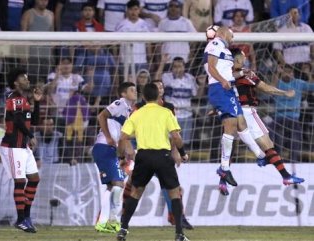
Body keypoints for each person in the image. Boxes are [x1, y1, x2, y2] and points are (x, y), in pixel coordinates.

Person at [217, 48, 305, 195]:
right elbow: (265, 88)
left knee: (230, 149)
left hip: (230, 113)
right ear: (237, 60)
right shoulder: (245, 73)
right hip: (247, 112)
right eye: (243, 57)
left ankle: (222, 182)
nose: (245, 59)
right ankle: (285, 176)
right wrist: (285, 92)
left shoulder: (222, 75)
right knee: (268, 145)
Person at [116, 83, 190, 241]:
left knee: (135, 193)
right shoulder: (166, 112)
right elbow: (176, 136)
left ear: (143, 97)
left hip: (143, 157)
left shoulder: (136, 113)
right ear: (158, 96)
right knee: (174, 194)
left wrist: (121, 156)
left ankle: (123, 229)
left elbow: (123, 137)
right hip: (163, 156)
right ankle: (179, 234)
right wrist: (182, 153)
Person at [204, 26, 267, 188]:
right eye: (232, 36)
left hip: (227, 89)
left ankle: (260, 155)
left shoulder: (224, 49)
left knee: (241, 124)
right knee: (230, 126)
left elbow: (227, 73)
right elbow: (211, 68)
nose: (232, 39)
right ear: (224, 32)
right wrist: (223, 81)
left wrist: (241, 74)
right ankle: (224, 168)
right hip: (220, 88)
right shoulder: (215, 44)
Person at [0, 68, 42, 233]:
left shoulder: (25, 99)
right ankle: (21, 219)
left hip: (23, 147)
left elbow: (35, 120)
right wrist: (30, 135)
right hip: (12, 147)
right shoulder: (13, 97)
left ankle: (26, 218)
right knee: (20, 181)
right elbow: (16, 120)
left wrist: (37, 102)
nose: (27, 79)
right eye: (24, 77)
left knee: (35, 179)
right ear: (16, 82)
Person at [92, 82, 137, 233]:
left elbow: (123, 136)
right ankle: (106, 221)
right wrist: (108, 137)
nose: (135, 92)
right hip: (104, 147)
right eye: (132, 90)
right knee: (118, 184)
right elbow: (101, 116)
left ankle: (108, 222)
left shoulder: (128, 110)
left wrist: (122, 154)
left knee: (113, 186)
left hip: (109, 149)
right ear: (123, 93)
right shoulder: (120, 103)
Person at [270, 64, 314, 162]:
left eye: (290, 72)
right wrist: (277, 73)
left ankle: (294, 160)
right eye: (285, 72)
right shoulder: (278, 83)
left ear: (293, 73)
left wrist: (308, 74)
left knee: (296, 135)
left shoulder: (298, 83)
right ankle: (277, 160)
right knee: (273, 133)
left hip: (293, 117)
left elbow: (312, 86)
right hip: (278, 117)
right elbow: (270, 89)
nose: (288, 74)